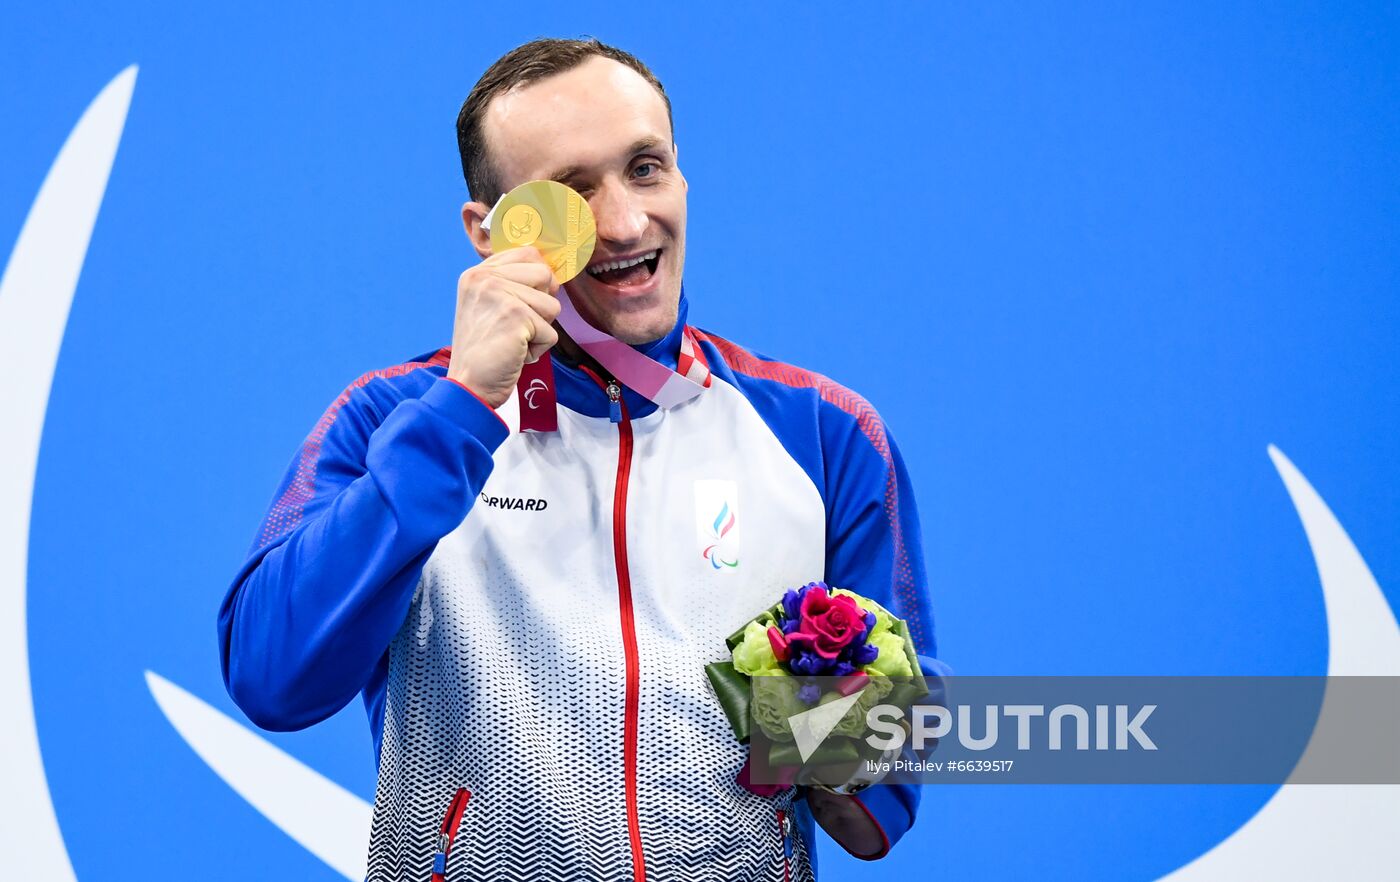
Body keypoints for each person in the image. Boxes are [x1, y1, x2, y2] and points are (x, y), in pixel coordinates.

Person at [218, 36, 941, 881]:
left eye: (645, 168)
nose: (627, 224)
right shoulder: (391, 418)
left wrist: (821, 733)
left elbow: (881, 798)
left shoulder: (823, 432)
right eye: (570, 192)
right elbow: (272, 677)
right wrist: (461, 409)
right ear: (488, 234)